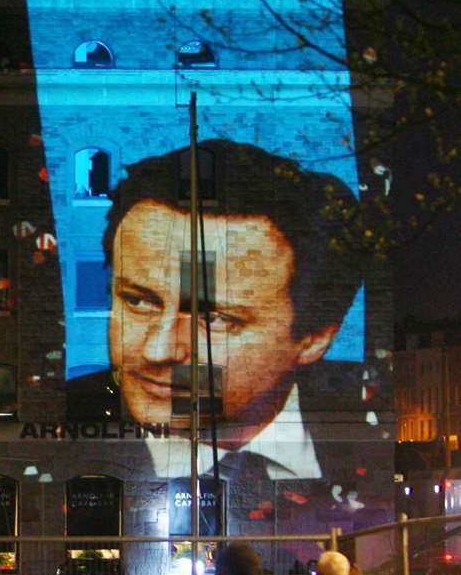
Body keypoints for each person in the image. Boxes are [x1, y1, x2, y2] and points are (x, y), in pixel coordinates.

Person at [66, 140, 363, 482]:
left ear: (315, 338)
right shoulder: (66, 430)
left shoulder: (365, 416)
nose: (157, 350)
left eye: (215, 319)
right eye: (138, 301)